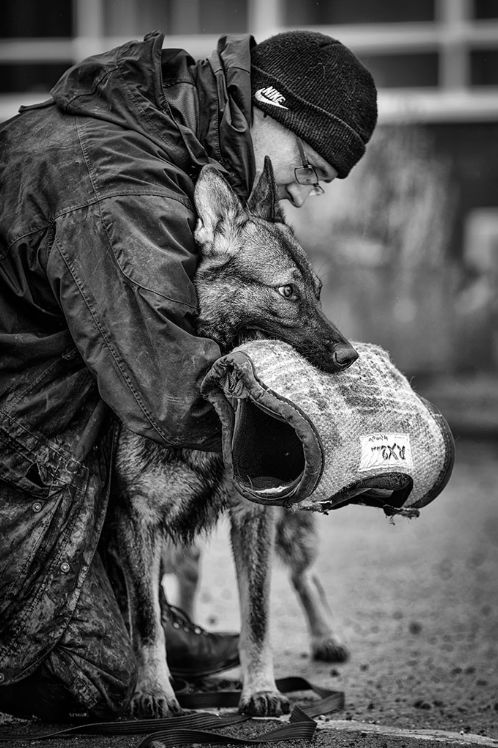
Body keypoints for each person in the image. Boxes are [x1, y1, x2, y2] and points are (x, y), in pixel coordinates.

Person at [0, 29, 377, 720]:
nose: (317, 184)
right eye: (315, 162)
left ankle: (123, 601)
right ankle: (96, 627)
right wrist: (326, 444)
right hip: (18, 439)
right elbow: (165, 386)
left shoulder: (165, 130)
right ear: (269, 109)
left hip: (43, 407)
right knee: (103, 683)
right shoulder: (123, 187)